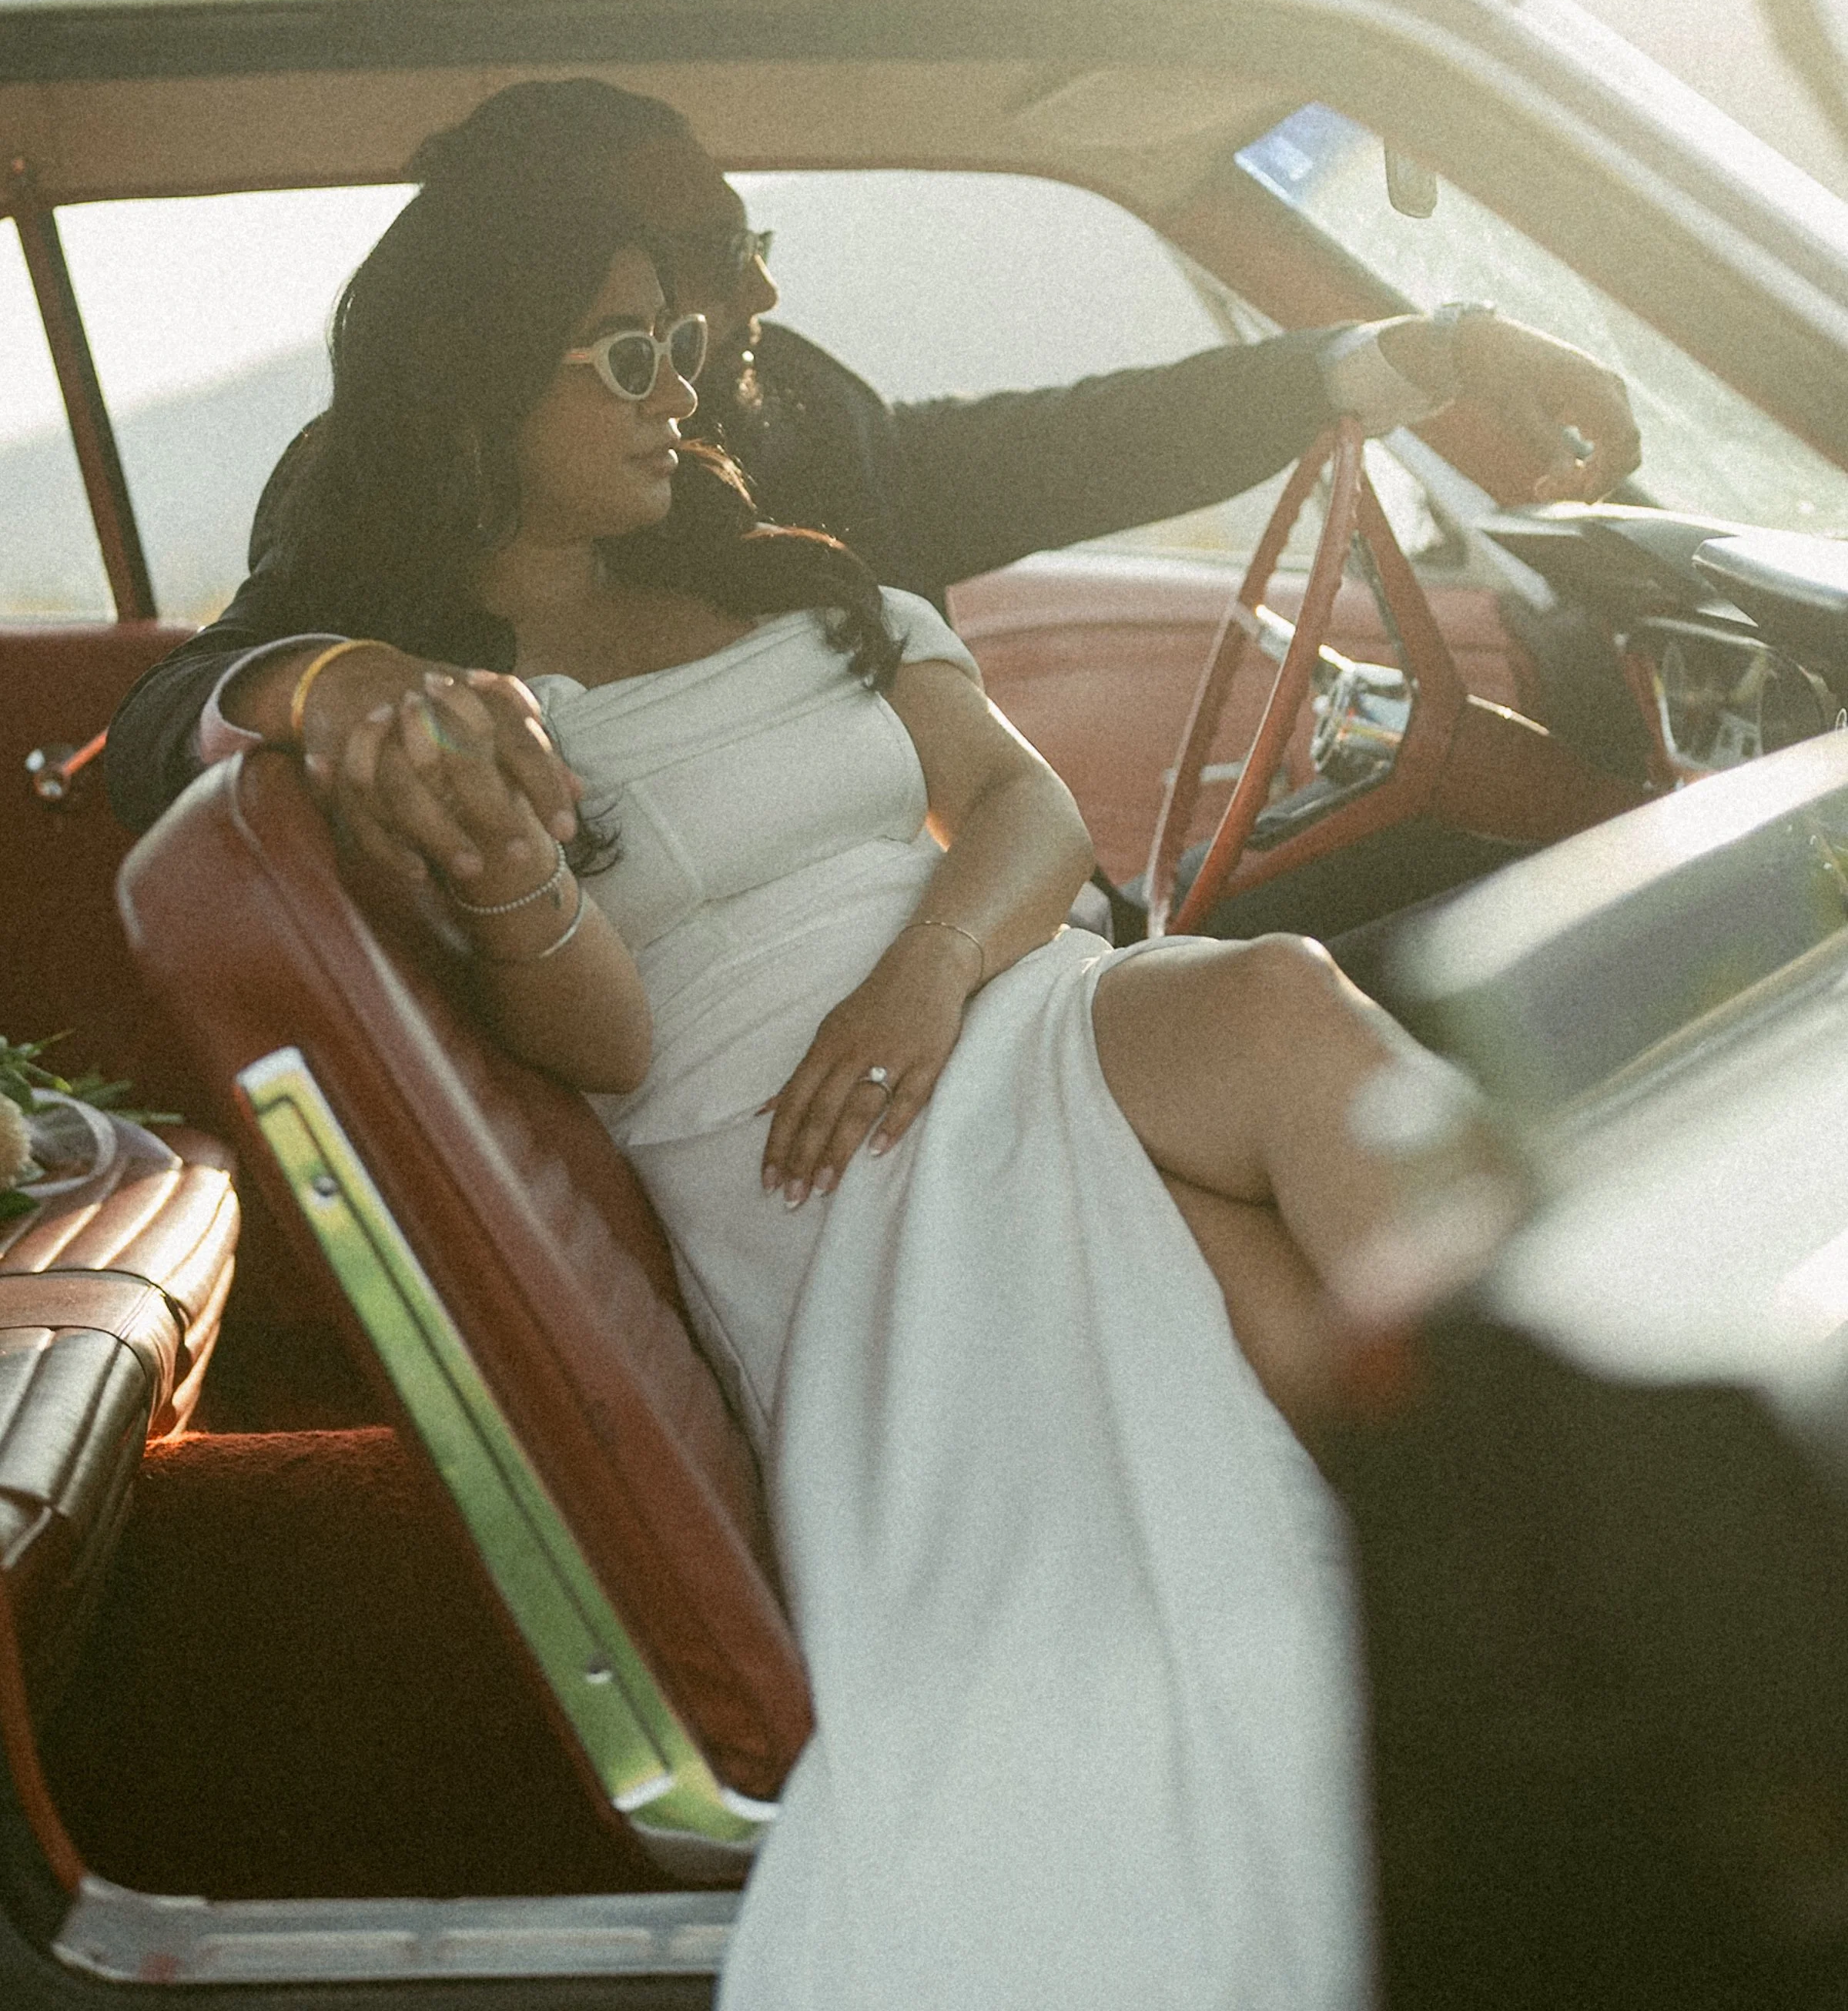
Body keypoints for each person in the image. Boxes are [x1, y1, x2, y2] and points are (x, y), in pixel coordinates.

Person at [166, 108, 1546, 2009]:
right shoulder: (442, 695)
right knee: (1244, 1310)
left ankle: (1596, 1491)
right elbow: (596, 1029)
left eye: (695, 322)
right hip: (778, 1133)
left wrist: (924, 982)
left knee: (1286, 999)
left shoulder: (797, 560)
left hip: (980, 993)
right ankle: (1553, 1645)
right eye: (635, 348)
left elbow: (1027, 811)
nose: (697, 371)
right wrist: (469, 840)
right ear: (487, 378)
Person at [102, 78, 1642, 843]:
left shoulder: (791, 419)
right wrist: (326, 680)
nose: (757, 293)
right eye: (706, 257)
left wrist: (1425, 355)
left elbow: (1066, 445)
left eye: (750, 240)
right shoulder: (395, 485)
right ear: (550, 283)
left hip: (991, 954)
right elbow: (171, 718)